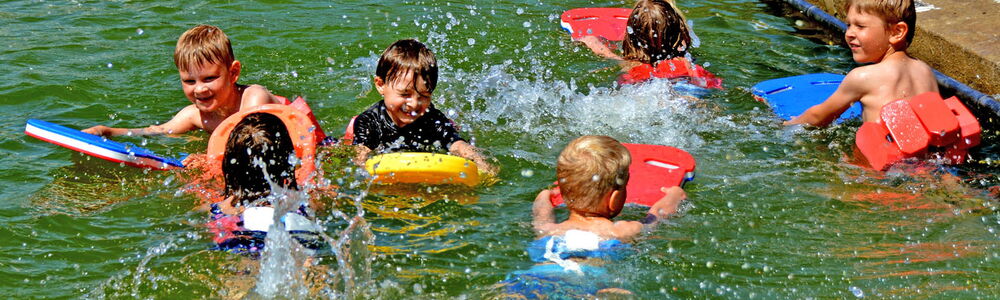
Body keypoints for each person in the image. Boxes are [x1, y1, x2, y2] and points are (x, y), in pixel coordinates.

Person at [499, 135, 687, 297]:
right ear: (614, 199)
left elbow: (541, 211)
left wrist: (544, 196)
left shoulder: (549, 229)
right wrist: (674, 196)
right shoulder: (620, 231)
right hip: (585, 288)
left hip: (531, 280)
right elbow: (658, 215)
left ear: (563, 193)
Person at [84, 24, 280, 137]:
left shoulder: (254, 98)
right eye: (189, 81)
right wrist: (106, 131)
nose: (200, 89)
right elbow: (157, 131)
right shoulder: (194, 115)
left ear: (233, 73)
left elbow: (252, 143)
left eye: (209, 78)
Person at [348, 39, 496, 174]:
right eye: (405, 94)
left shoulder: (431, 118)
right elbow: (360, 154)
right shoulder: (369, 121)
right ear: (381, 85)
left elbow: (458, 145)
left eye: (424, 96)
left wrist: (484, 167)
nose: (414, 104)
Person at [785, 0, 937, 127]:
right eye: (849, 25)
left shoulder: (863, 77)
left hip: (877, 162)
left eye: (860, 26)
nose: (849, 33)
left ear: (897, 32)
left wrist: (786, 124)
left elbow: (818, 116)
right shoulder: (925, 71)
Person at [206, 112, 322, 255]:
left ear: (230, 164)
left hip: (239, 242)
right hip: (293, 235)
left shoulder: (220, 209)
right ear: (287, 159)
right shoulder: (304, 202)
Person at [577, 0, 721, 89]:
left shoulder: (632, 65)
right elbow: (716, 85)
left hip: (643, 93)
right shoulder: (688, 65)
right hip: (686, 91)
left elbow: (605, 53)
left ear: (630, 36)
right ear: (680, 34)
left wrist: (592, 42)